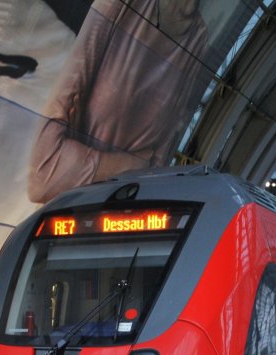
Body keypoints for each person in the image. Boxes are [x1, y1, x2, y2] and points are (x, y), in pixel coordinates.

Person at [27, 0, 208, 203]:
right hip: (76, 211)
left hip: (123, 212)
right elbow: (43, 180)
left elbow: (159, 164)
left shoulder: (197, 37)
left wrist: (135, 175)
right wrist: (134, 168)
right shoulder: (122, 5)